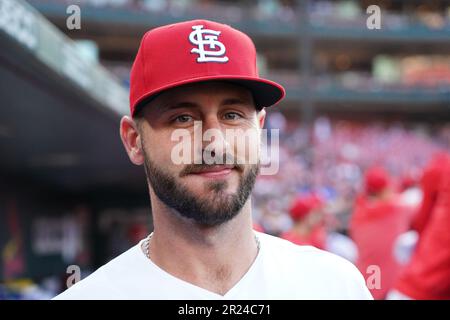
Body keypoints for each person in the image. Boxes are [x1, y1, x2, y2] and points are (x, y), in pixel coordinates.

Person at [54, 19, 372, 299]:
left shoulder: (335, 286)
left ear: (259, 129)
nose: (215, 142)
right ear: (134, 140)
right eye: (182, 119)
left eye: (232, 115)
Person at [349, 166, 411, 299]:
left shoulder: (358, 214)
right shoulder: (398, 210)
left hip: (369, 279)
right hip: (389, 282)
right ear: (384, 190)